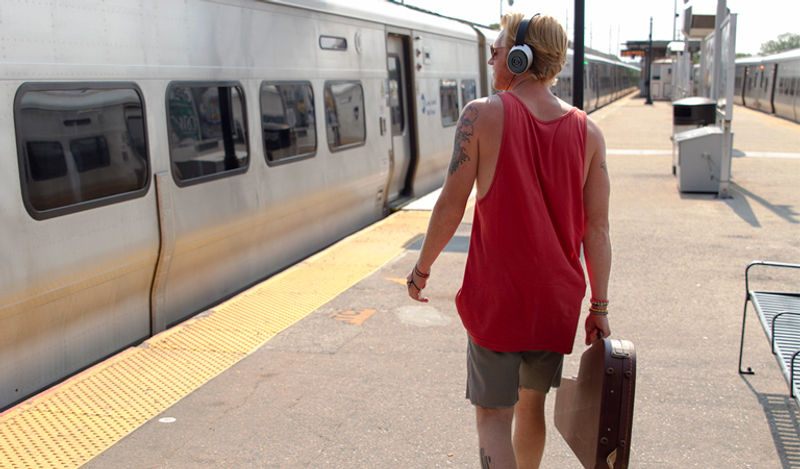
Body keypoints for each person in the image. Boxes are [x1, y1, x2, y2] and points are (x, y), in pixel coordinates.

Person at [405, 12, 612, 469]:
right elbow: (597, 229)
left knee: (493, 417)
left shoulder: (481, 115)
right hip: (555, 299)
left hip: (499, 296)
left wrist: (422, 269)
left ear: (520, 57)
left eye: (497, 50)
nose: (493, 57)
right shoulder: (589, 132)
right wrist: (598, 307)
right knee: (530, 406)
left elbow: (450, 206)